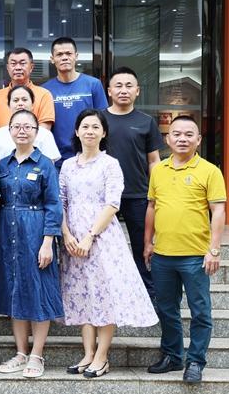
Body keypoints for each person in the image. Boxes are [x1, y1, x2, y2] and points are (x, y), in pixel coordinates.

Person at [59, 109, 158, 378]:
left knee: (104, 296)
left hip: (102, 239)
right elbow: (61, 202)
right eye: (85, 126)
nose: (90, 131)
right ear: (77, 131)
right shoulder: (67, 165)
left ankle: (102, 357)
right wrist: (67, 235)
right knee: (81, 294)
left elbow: (113, 204)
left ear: (103, 133)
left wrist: (89, 236)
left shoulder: (110, 164)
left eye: (95, 127)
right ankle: (88, 354)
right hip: (73, 240)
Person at [144, 115, 226, 384]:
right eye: (177, 134)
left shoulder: (210, 171)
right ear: (167, 139)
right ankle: (173, 356)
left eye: (189, 134)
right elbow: (152, 206)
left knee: (200, 311)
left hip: (195, 256)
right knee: (167, 309)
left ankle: (195, 361)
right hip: (163, 256)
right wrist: (148, 242)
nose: (182, 139)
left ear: (198, 140)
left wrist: (214, 250)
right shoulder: (158, 170)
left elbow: (218, 211)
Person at [0, 109, 63, 378]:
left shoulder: (45, 164)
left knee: (38, 290)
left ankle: (37, 355)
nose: (22, 131)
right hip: (7, 232)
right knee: (14, 289)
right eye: (17, 126)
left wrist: (48, 242)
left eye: (28, 127)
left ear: (37, 131)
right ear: (9, 131)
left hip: (36, 232)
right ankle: (21, 353)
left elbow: (54, 204)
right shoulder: (2, 165)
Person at [103, 67, 162, 300]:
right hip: (104, 196)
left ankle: (149, 297)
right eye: (118, 85)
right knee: (104, 248)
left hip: (138, 194)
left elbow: (154, 160)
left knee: (142, 247)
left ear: (137, 91)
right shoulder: (98, 120)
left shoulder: (146, 122)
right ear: (109, 91)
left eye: (129, 86)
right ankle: (109, 295)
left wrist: (155, 191)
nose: (123, 90)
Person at [42, 37, 108, 168]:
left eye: (68, 53)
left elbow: (103, 121)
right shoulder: (45, 90)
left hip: (90, 157)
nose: (64, 58)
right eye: (59, 54)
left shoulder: (93, 84)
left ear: (76, 56)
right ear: (52, 59)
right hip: (56, 159)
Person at [0, 85, 60, 162]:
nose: (20, 103)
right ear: (9, 105)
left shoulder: (45, 134)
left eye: (24, 100)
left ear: (32, 105)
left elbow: (49, 166)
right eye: (16, 100)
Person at [0, 47, 55, 129]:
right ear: (7, 68)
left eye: (22, 63)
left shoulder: (44, 95)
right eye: (13, 63)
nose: (18, 67)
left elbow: (44, 130)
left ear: (31, 67)